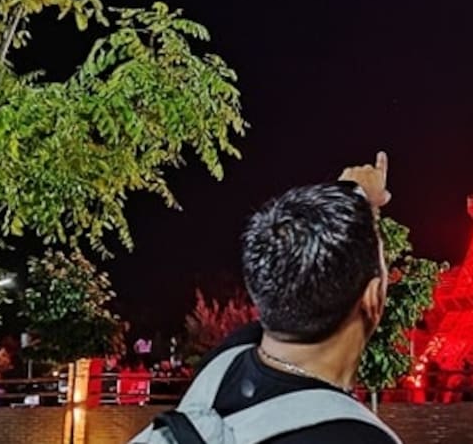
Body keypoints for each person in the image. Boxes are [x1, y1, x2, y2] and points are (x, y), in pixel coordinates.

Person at [134, 153, 400, 443]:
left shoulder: (221, 366)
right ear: (373, 298)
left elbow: (296, 265)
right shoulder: (365, 438)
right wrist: (356, 203)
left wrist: (353, 201)